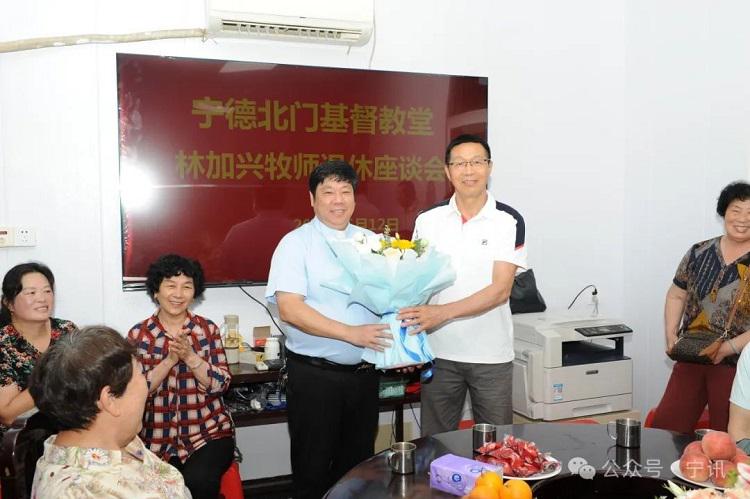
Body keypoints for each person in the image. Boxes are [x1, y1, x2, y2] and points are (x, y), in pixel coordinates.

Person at [266, 160, 392, 499]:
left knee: (359, 468)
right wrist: (351, 334)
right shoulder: (295, 244)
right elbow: (291, 309)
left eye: (345, 191)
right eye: (328, 192)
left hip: (364, 376)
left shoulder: (373, 242)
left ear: (355, 197)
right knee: (313, 469)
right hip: (315, 378)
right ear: (312, 199)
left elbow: (392, 300)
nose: (338, 200)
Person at [398, 134, 528, 437]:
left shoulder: (508, 220)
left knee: (496, 449)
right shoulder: (428, 220)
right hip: (439, 353)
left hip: (490, 357)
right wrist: (405, 340)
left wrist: (441, 314)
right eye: (459, 163)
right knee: (436, 445)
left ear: (489, 167)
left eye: (476, 162)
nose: (468, 171)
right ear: (447, 171)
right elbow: (415, 284)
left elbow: (500, 290)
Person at [29, 326, 190, 498]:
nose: (146, 385)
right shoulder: (82, 492)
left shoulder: (116, 438)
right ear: (110, 399)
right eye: (142, 374)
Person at [127, 254, 234, 499]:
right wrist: (170, 361)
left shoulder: (207, 330)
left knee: (199, 483)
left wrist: (191, 357)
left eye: (187, 286)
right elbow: (135, 392)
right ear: (156, 291)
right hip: (155, 439)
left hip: (208, 433)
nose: (179, 294)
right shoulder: (139, 335)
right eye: (170, 285)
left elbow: (222, 384)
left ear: (195, 293)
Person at [652, 181, 750, 434]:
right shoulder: (699, 252)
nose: (742, 219)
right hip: (692, 353)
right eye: (736, 210)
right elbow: (676, 295)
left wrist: (728, 348)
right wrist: (672, 335)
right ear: (723, 213)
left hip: (738, 364)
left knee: (728, 439)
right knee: (666, 429)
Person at [0, 262, 76, 426]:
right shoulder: (3, 345)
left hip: (69, 427)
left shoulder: (66, 330)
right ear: (9, 303)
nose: (42, 298)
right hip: (22, 440)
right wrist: (54, 378)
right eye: (31, 293)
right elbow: (7, 415)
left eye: (47, 291)